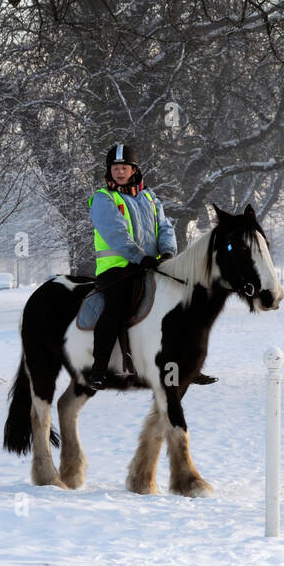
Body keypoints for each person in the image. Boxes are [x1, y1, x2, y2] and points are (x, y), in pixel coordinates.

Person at [87, 142, 178, 389]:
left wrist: (168, 252)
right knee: (115, 308)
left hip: (150, 266)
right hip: (116, 269)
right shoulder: (103, 198)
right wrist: (140, 257)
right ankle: (99, 368)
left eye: (124, 167)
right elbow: (115, 234)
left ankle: (180, 364)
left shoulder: (150, 197)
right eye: (115, 167)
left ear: (134, 169)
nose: (119, 171)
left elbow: (165, 227)